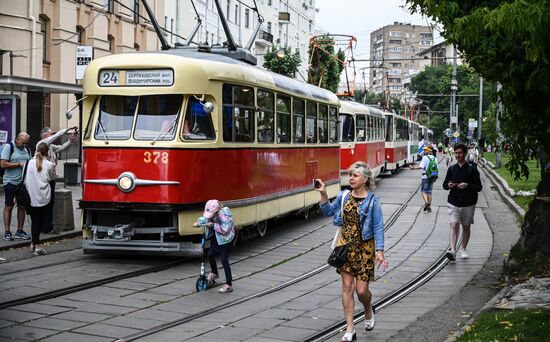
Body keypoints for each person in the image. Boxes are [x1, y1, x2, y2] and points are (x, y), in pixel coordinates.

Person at [315, 161, 388, 341]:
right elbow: (328, 211)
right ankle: (350, 328)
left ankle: (368, 310)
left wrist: (380, 251)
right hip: (345, 248)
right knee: (347, 287)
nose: (351, 178)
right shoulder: (344, 196)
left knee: (362, 291)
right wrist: (323, 194)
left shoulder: (373, 201)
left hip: (365, 249)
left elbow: (378, 227)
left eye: (355, 175)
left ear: (365, 179)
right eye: (350, 175)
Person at [442, 143, 483, 261]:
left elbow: (479, 187)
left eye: (460, 153)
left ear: (464, 154)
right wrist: (448, 185)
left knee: (466, 226)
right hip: (454, 201)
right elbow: (445, 185)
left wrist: (467, 185)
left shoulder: (472, 169)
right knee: (454, 225)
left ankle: (463, 249)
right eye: (456, 153)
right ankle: (453, 250)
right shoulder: (452, 169)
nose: (457, 155)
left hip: (468, 202)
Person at [37, 126, 78, 233]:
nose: (52, 135)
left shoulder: (50, 146)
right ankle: (44, 226)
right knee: (44, 202)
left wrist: (70, 141)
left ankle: (48, 226)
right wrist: (67, 129)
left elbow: (61, 148)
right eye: (51, 134)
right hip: (42, 178)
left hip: (50, 177)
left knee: (50, 202)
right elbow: (57, 135)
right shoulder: (42, 144)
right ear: (45, 136)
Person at [193, 199, 235, 293]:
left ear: (216, 211)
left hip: (226, 239)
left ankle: (229, 284)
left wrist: (213, 225)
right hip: (217, 237)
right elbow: (205, 219)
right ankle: (214, 273)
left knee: (224, 259)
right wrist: (199, 223)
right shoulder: (211, 214)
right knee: (210, 254)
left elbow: (225, 229)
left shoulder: (224, 216)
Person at [24, 142, 55, 255]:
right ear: (47, 152)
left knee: (35, 221)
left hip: (31, 196)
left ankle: (33, 243)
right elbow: (52, 178)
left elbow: (24, 180)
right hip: (44, 196)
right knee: (40, 222)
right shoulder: (50, 164)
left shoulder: (28, 163)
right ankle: (37, 246)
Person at [1, 132, 32, 241]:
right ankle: (7, 232)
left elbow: (30, 164)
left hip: (22, 183)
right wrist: (19, 164)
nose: (24, 145)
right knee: (9, 206)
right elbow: (3, 164)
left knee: (22, 206)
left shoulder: (27, 149)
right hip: (10, 182)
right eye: (22, 143)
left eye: (26, 143)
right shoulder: (9, 147)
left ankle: (20, 231)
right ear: (17, 140)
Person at [410, 145, 438, 213]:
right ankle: (429, 207)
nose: (425, 151)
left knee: (423, 191)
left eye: (426, 149)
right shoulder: (434, 158)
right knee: (429, 192)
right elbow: (437, 168)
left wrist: (413, 168)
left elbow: (421, 167)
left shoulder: (425, 157)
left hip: (425, 176)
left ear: (429, 150)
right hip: (433, 176)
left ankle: (426, 203)